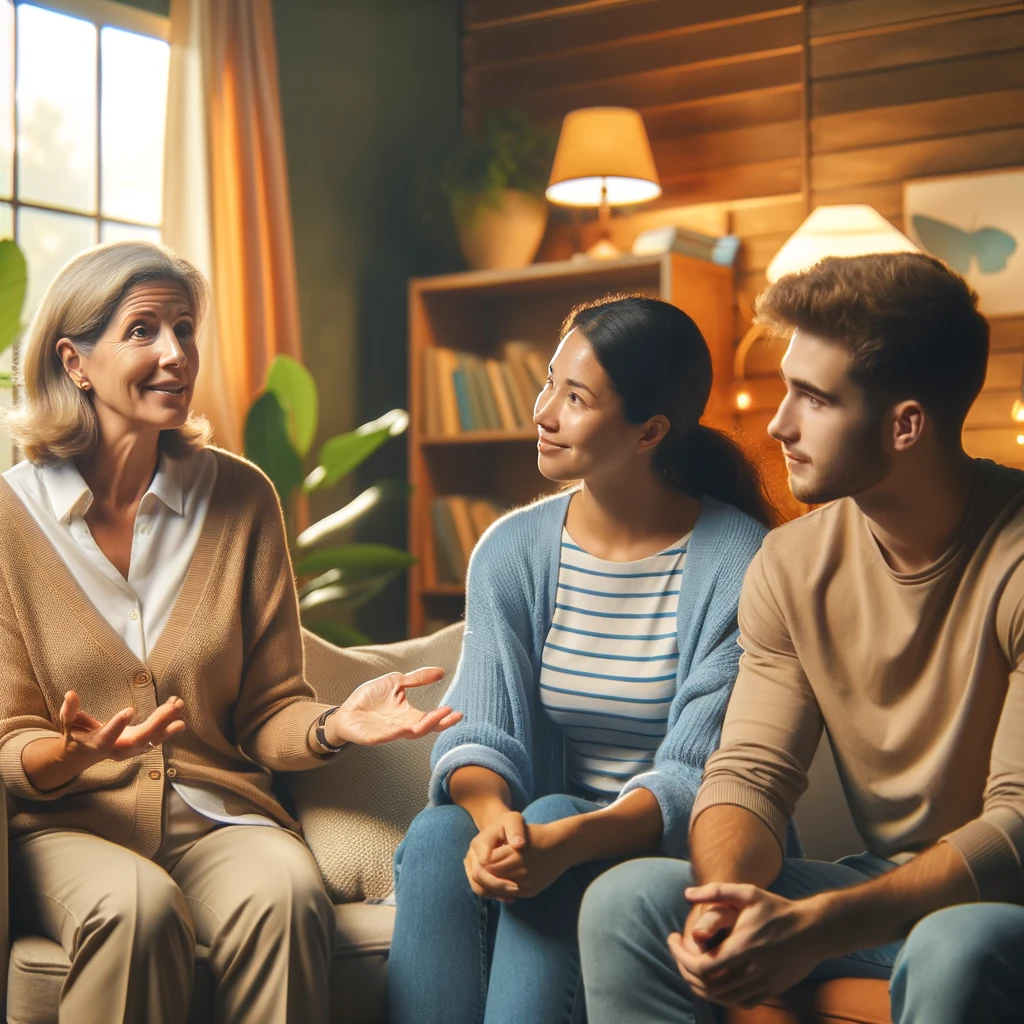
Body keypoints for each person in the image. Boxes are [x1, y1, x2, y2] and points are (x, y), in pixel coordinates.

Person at [0, 240, 461, 1024]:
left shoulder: (242, 499)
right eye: (143, 331)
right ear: (74, 362)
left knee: (284, 894)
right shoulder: (10, 519)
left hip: (222, 816)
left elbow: (269, 708)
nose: (176, 353)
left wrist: (331, 724)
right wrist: (72, 752)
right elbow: (9, 737)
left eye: (185, 328)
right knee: (135, 912)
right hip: (71, 824)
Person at [578, 253, 1024, 1024]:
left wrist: (818, 928)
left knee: (955, 946)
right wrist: (729, 904)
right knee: (629, 899)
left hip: (999, 909)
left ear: (905, 423)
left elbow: (1017, 830)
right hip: (883, 885)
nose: (778, 422)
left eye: (814, 398)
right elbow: (749, 774)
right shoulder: (791, 562)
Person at [388, 294, 781, 1024]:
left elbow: (704, 780)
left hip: (671, 852)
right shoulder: (512, 549)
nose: (543, 412)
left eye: (576, 398)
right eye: (547, 384)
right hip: (540, 830)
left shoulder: (740, 561)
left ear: (649, 432)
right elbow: (477, 730)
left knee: (558, 812)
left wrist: (563, 836)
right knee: (441, 833)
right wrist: (497, 819)